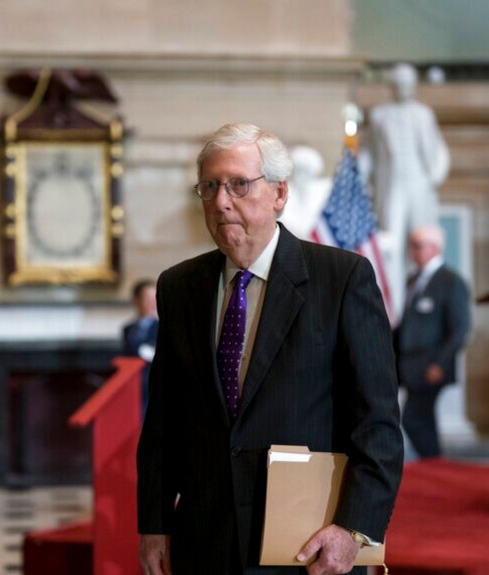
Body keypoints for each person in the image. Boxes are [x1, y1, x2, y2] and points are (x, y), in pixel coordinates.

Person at [137, 123, 403, 575]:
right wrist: (154, 523)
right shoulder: (179, 287)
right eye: (210, 186)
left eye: (239, 184)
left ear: (280, 194)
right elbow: (164, 421)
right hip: (205, 543)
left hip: (306, 545)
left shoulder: (341, 280)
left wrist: (352, 529)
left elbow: (376, 423)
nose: (221, 201)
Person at [368, 62, 450, 319]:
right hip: (392, 185)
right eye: (399, 83)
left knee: (423, 240)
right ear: (392, 86)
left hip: (418, 182)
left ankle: (422, 298)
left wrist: (434, 176)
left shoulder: (423, 113)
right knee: (390, 241)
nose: (404, 88)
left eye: (408, 83)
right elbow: (370, 153)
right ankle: (392, 306)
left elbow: (436, 148)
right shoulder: (379, 114)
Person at [395, 225, 471, 459]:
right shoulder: (414, 280)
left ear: (434, 248)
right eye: (412, 246)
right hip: (408, 365)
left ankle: (434, 462)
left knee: (413, 418)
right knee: (423, 419)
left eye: (417, 246)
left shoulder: (451, 281)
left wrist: (440, 363)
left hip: (431, 365)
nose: (412, 252)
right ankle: (436, 465)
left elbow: (460, 329)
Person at [122, 279, 158, 416]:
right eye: (147, 298)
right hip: (132, 386)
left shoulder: (164, 327)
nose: (152, 303)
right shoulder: (128, 329)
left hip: (154, 386)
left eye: (154, 298)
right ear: (136, 301)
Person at [278, 145, 331, 239]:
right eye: (300, 170)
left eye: (307, 171)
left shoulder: (322, 193)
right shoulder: (282, 194)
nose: (301, 176)